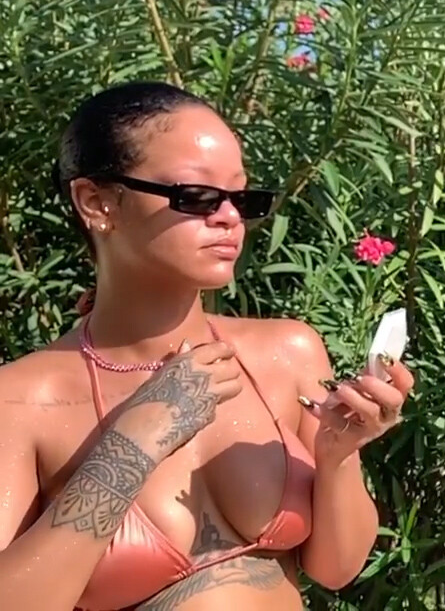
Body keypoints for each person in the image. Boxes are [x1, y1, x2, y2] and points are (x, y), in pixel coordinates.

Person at [0, 81, 414, 610]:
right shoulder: (23, 399)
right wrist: (131, 445)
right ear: (97, 202)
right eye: (196, 196)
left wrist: (338, 456)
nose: (229, 217)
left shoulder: (288, 352)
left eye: (242, 198)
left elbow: (337, 568)